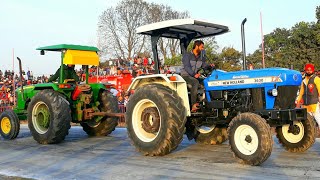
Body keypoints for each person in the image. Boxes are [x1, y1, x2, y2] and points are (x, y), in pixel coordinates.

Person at [180, 40, 211, 112]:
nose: (203, 49)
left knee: (206, 82)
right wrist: (194, 74)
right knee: (195, 82)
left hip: (194, 76)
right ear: (196, 46)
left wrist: (209, 65)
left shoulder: (201, 57)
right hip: (186, 75)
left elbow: (203, 65)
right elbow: (187, 67)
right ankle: (193, 104)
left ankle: (206, 102)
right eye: (201, 47)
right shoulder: (187, 56)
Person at [296, 63, 320, 137]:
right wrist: (298, 101)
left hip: (314, 104)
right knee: (308, 123)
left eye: (310, 70)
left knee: (318, 120)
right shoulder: (304, 81)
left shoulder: (316, 79)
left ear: (313, 70)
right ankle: (309, 138)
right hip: (305, 105)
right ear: (305, 70)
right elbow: (301, 92)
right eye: (307, 70)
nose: (309, 71)